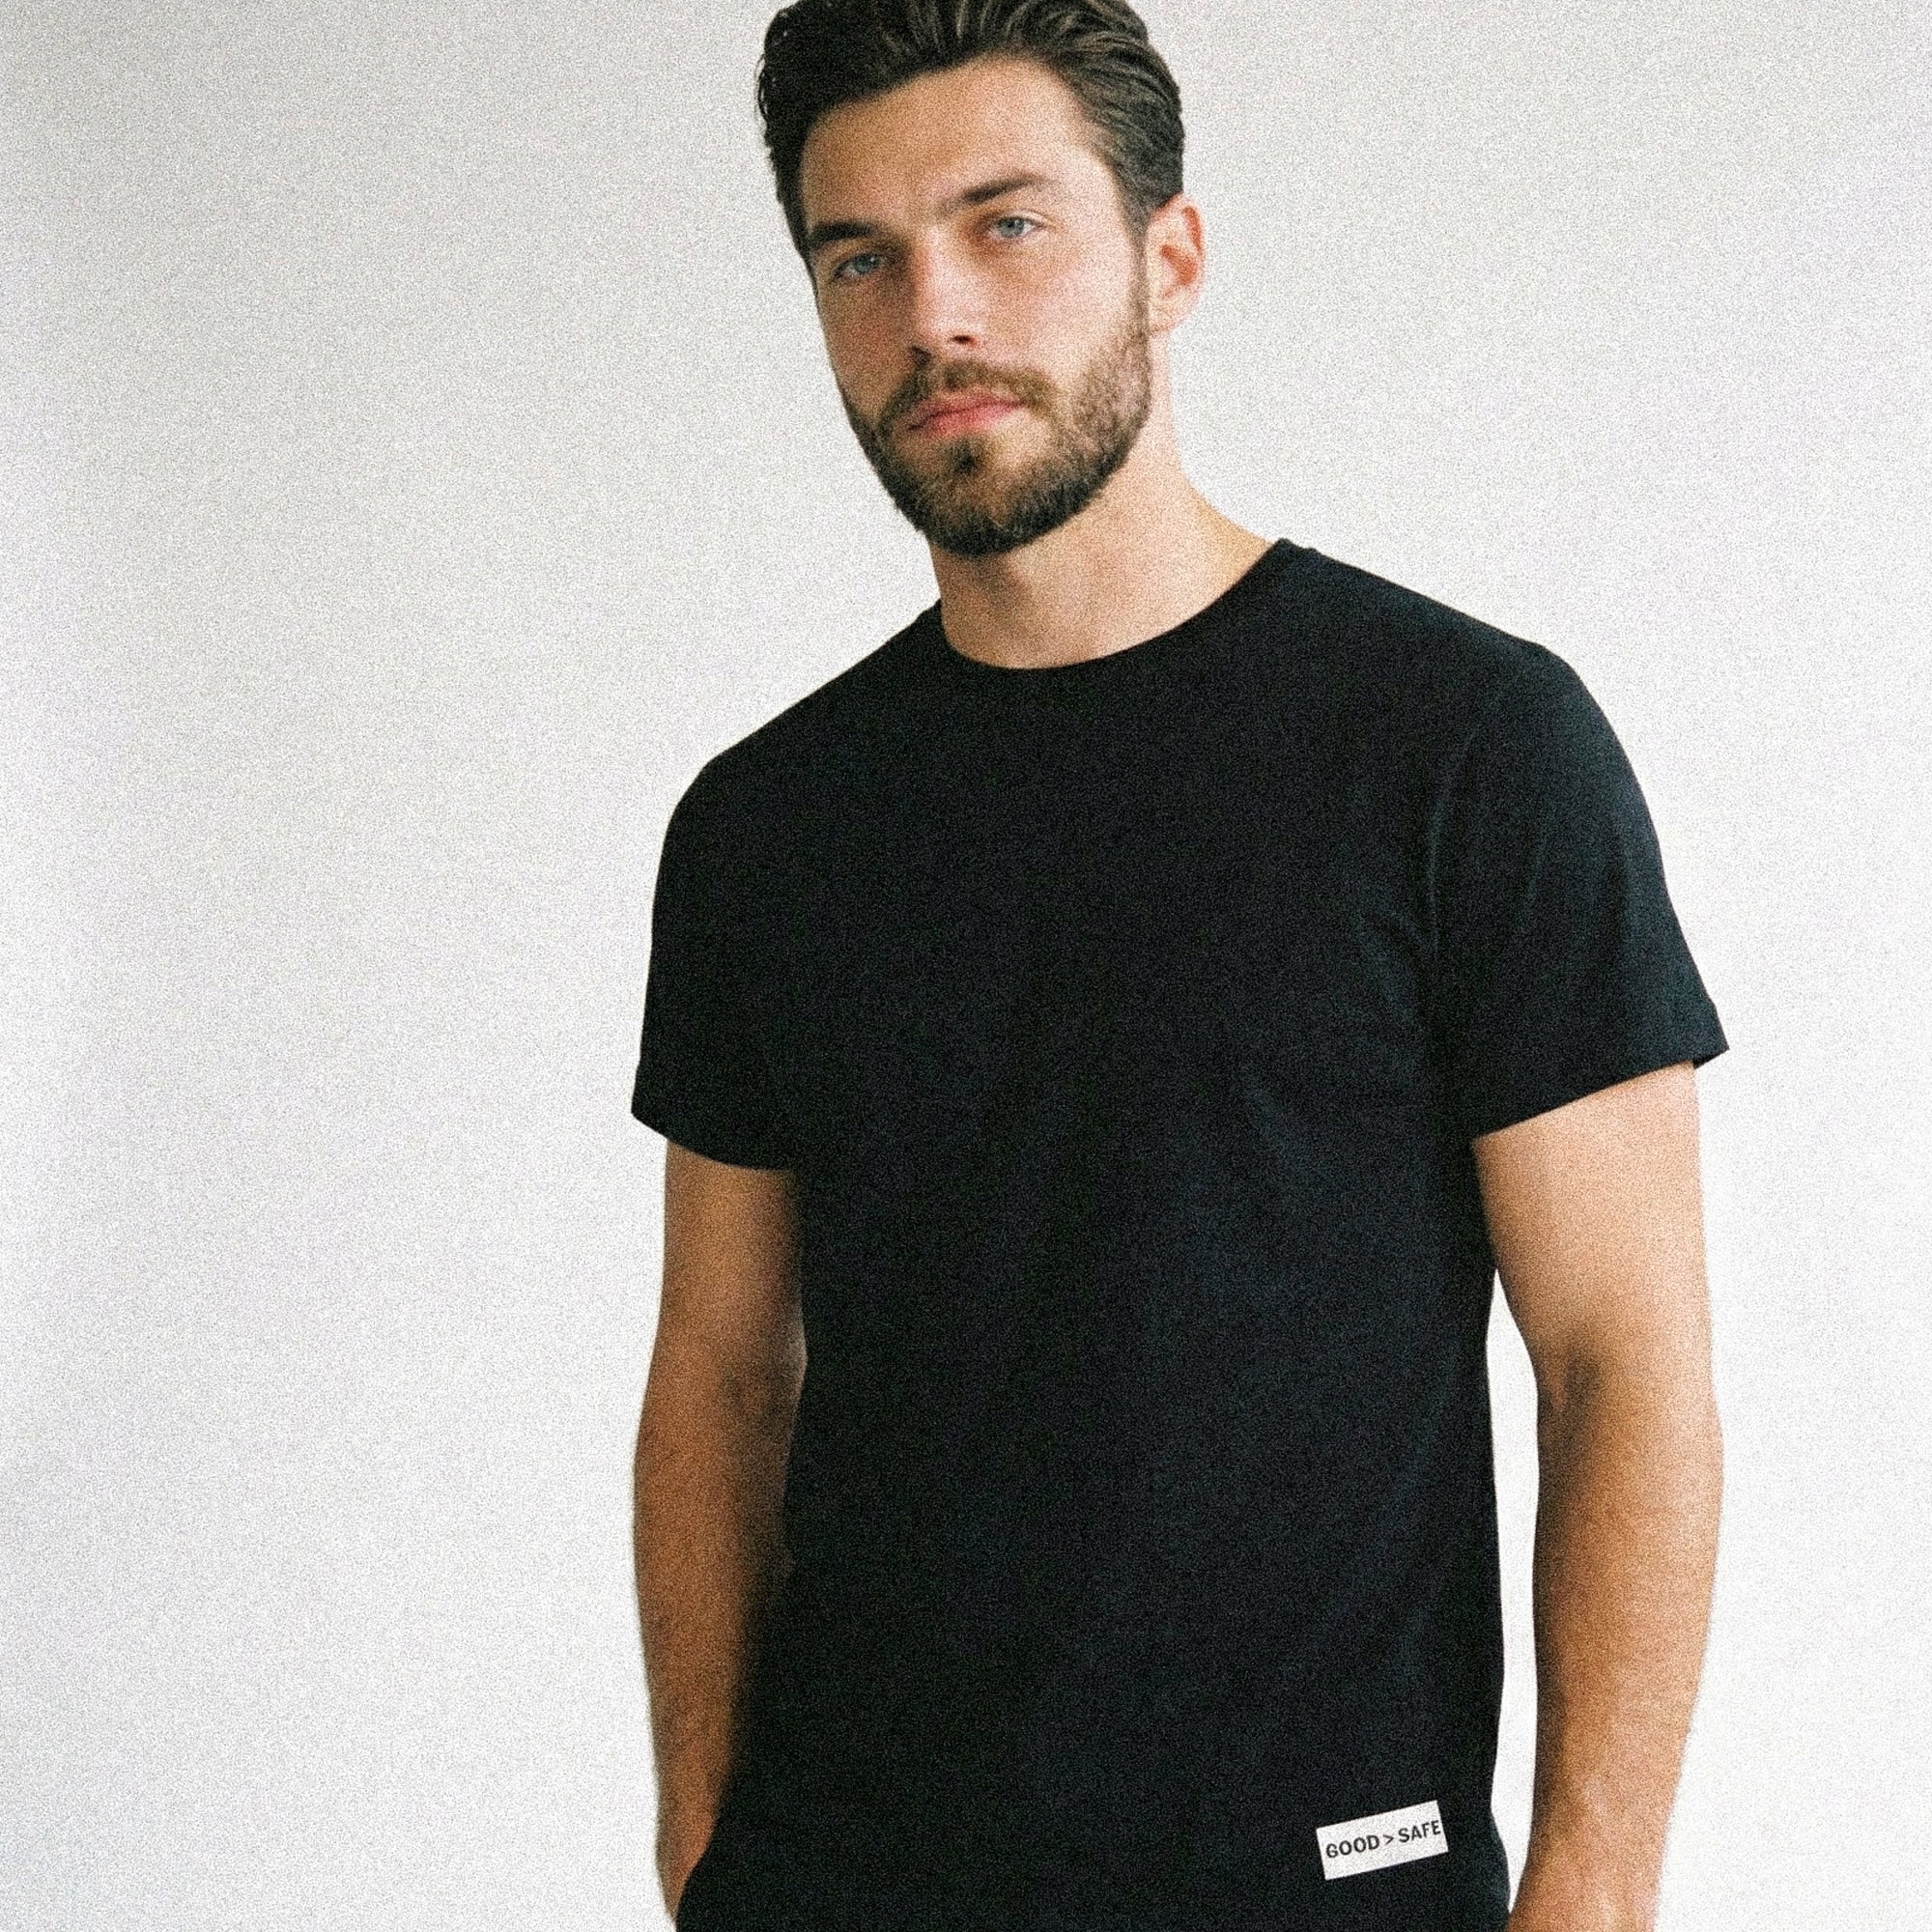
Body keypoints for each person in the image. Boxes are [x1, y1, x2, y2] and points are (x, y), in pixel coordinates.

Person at [630, 4, 1728, 1928]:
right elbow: (722, 1377)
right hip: (849, 1880)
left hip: (1322, 1878)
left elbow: (1620, 1356)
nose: (935, 317)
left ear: (1170, 254)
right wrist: (705, 1841)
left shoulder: (1462, 747)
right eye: (858, 257)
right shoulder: (768, 827)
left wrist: (1592, 1893)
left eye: (1006, 224)